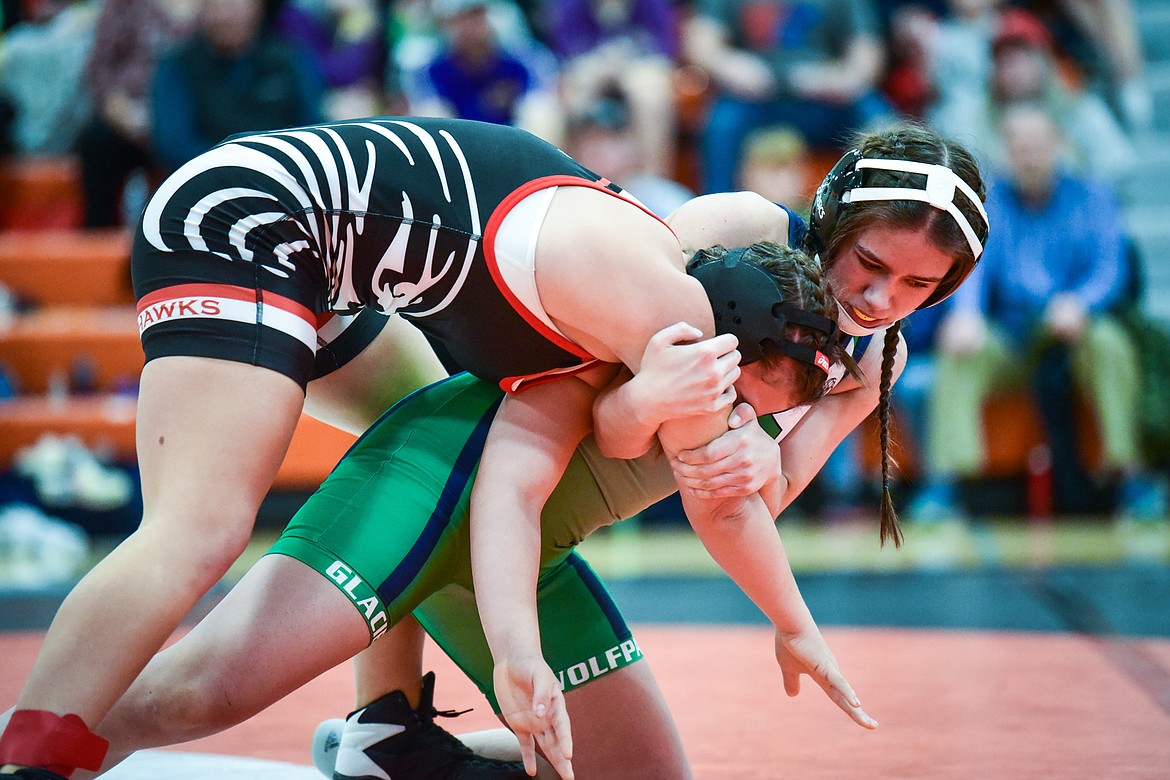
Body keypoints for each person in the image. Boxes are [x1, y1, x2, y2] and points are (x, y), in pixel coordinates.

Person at [0, 114, 866, 780]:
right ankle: (28, 752)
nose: (725, 427)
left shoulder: (645, 305)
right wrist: (794, 620)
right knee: (201, 529)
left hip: (323, 250)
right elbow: (714, 501)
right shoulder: (664, 316)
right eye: (734, 404)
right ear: (713, 345)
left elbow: (534, 465)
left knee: (422, 435)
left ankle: (383, 724)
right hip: (252, 220)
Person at [315, 121, 990, 780]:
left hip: (539, 536)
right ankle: (386, 732)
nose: (881, 299)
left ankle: (388, 738)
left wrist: (767, 463)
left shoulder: (875, 364)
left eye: (918, 286)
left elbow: (759, 499)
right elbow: (590, 379)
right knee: (216, 687)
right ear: (833, 218)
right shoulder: (740, 229)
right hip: (495, 507)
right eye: (870, 263)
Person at [912, 103, 1162, 519]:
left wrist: (1081, 303)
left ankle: (1129, 475)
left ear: (1058, 145)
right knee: (958, 351)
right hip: (1012, 332)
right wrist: (966, 313)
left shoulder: (1094, 196)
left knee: (1111, 346)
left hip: (1078, 328)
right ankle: (945, 485)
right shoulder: (990, 203)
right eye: (1018, 146)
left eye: (1036, 144)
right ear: (1006, 151)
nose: (1028, 154)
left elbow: (1109, 267)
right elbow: (974, 266)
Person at [682, 0, 895, 194]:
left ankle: (881, 205)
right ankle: (717, 208)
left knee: (878, 120)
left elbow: (867, 54)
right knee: (722, 124)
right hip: (754, 98)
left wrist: (839, 80)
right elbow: (701, 40)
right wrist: (729, 64)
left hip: (823, 100)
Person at [150, 0, 325, 172]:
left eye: (232, 5)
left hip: (282, 180)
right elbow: (173, 143)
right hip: (207, 184)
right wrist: (238, 171)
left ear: (258, 7)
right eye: (215, 6)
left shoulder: (289, 59)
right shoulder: (178, 66)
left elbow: (312, 129)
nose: (223, 16)